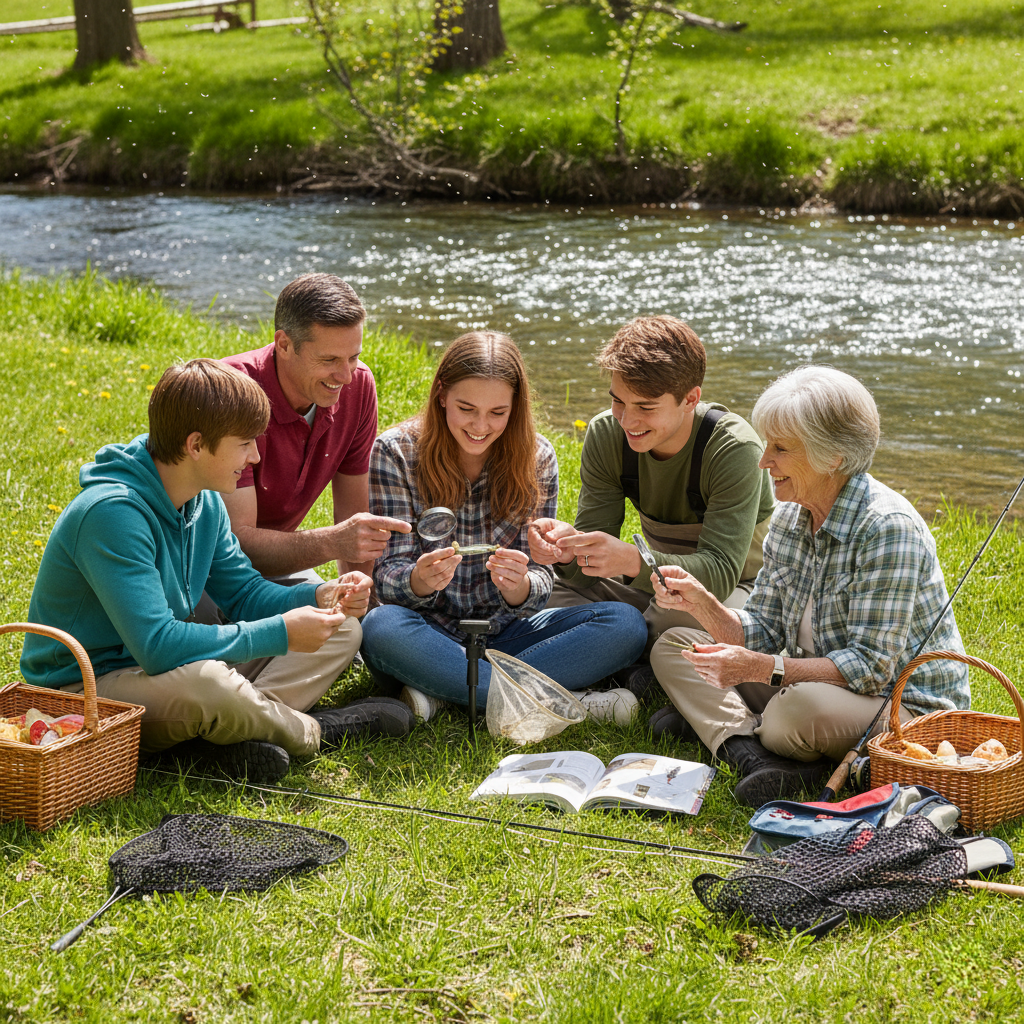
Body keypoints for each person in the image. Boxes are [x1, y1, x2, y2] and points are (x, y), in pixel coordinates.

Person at [21, 359, 413, 784]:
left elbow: (244, 595)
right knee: (207, 683)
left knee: (341, 631)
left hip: (167, 676)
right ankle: (314, 731)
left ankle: (229, 733)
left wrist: (319, 597)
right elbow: (157, 645)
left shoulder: (202, 502)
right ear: (195, 444)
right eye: (245, 443)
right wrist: (281, 632)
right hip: (86, 693)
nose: (255, 456)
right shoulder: (111, 514)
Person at [647, 365, 970, 806]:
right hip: (810, 681)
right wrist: (703, 604)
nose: (764, 462)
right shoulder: (790, 516)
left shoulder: (887, 528)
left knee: (792, 712)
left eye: (780, 448)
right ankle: (751, 752)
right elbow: (762, 628)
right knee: (676, 645)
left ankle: (735, 729)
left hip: (897, 706)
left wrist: (759, 670)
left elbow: (872, 668)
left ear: (833, 456)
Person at [359, 331, 648, 720]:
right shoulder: (395, 452)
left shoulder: (538, 456)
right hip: (426, 633)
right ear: (441, 394)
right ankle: (562, 702)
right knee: (381, 627)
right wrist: (420, 581)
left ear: (516, 406)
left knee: (624, 624)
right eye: (466, 408)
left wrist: (521, 587)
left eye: (498, 413)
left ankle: (452, 692)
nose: (481, 426)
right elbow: (388, 575)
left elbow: (542, 577)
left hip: (508, 635)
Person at [528, 315, 774, 708]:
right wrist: (566, 551)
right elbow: (582, 572)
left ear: (691, 399)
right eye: (618, 400)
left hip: (736, 590)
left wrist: (631, 561)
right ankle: (634, 665)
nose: (628, 420)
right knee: (543, 592)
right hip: (657, 585)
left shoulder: (733, 449)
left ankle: (619, 659)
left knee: (675, 620)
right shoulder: (608, 434)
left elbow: (721, 574)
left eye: (646, 406)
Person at [220, 272, 411, 591]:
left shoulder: (359, 386)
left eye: (353, 357)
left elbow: (354, 515)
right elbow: (236, 544)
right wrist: (333, 543)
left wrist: (359, 603)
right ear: (284, 344)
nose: (346, 376)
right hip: (206, 570)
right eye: (329, 360)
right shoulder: (231, 391)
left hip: (276, 569)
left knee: (349, 632)